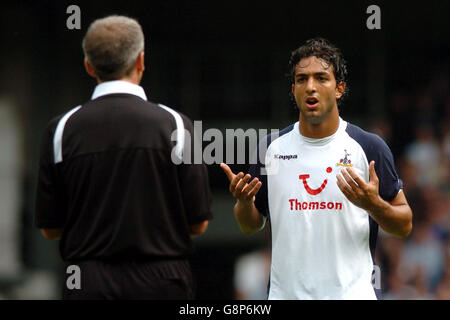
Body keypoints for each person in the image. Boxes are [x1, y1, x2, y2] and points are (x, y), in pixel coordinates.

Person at [34, 15, 212, 300]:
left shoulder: (60, 130)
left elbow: (50, 229)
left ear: (89, 67)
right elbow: (198, 224)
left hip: (87, 283)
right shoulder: (177, 125)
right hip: (163, 283)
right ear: (141, 61)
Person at [220, 38, 413, 300]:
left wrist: (374, 205)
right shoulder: (270, 148)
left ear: (339, 89)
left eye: (321, 78)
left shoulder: (369, 147)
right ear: (294, 89)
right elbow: (250, 226)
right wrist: (244, 203)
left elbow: (404, 224)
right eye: (302, 79)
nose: (311, 87)